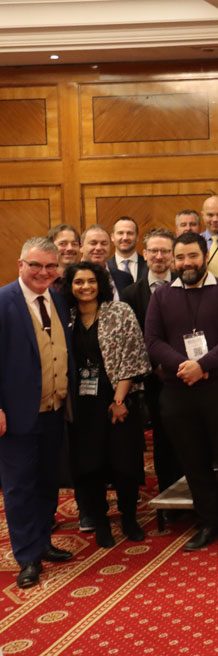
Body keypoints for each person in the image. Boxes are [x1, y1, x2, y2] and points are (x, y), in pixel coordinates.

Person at [145, 232, 218, 551]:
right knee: (193, 462)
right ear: (172, 260)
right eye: (179, 257)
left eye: (192, 256)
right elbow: (153, 341)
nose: (186, 263)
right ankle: (209, 522)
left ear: (205, 256)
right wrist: (185, 366)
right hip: (178, 391)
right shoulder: (162, 296)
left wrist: (204, 365)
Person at [1, 238, 75, 588]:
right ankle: (27, 556)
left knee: (48, 480)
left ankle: (43, 542)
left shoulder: (58, 299)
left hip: (53, 410)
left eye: (50, 266)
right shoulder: (3, 302)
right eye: (35, 265)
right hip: (15, 416)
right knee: (19, 487)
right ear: (20, 264)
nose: (43, 272)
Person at [63, 261, 152, 547]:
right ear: (71, 286)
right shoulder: (67, 317)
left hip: (117, 400)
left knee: (124, 462)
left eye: (91, 281)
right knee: (90, 465)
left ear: (100, 283)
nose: (85, 287)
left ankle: (128, 517)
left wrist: (119, 399)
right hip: (81, 405)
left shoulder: (119, 312)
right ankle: (100, 521)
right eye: (78, 282)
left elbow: (133, 354)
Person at [119, 228, 183, 493]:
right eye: (154, 251)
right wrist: (154, 366)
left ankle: (194, 490)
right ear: (144, 254)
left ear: (173, 255)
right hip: (154, 377)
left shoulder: (187, 284)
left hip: (185, 372)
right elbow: (133, 338)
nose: (159, 256)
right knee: (163, 437)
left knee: (189, 436)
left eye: (165, 251)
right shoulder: (130, 294)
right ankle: (168, 491)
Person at [107, 216, 146, 289]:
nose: (125, 238)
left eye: (130, 233)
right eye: (120, 233)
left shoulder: (148, 265)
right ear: (112, 237)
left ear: (137, 237)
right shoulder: (106, 267)